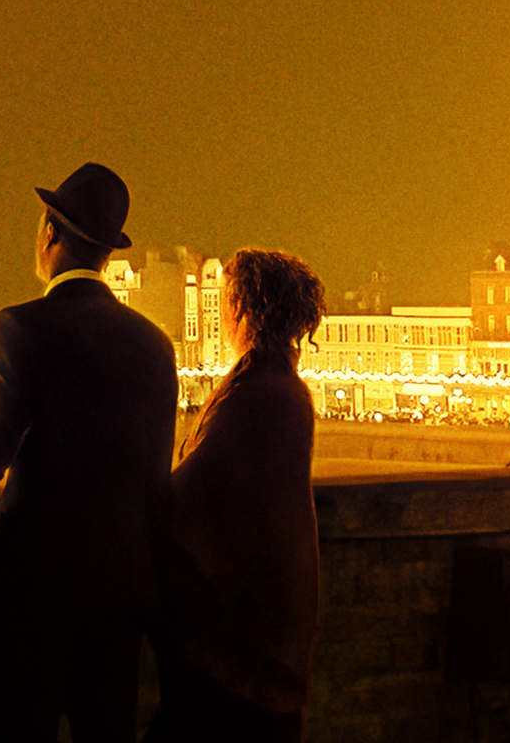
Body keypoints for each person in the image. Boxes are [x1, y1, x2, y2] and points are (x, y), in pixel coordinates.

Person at [0, 162, 180, 743]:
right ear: (105, 252)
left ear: (49, 233)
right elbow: (156, 483)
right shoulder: (153, 345)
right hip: (120, 593)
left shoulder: (21, 327)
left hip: (34, 594)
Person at [146, 248, 324, 741]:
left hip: (245, 647)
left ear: (244, 308)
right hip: (273, 635)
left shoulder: (260, 394)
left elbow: (191, 499)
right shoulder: (282, 388)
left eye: (225, 298)